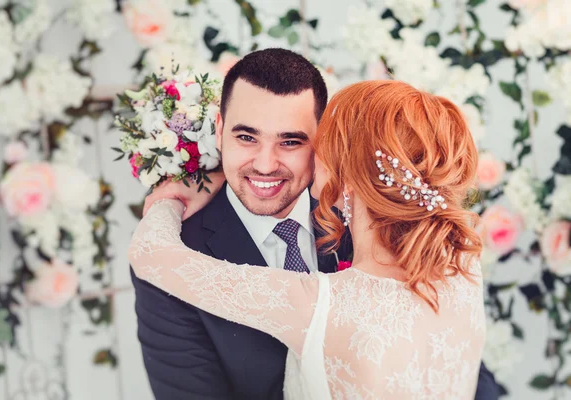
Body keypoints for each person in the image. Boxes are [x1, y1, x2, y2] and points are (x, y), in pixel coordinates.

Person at [130, 48, 498, 399]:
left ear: (326, 147)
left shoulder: (320, 296)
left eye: (291, 141)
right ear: (219, 129)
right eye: (246, 137)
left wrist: (171, 199)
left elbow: (471, 380)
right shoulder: (460, 266)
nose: (264, 164)